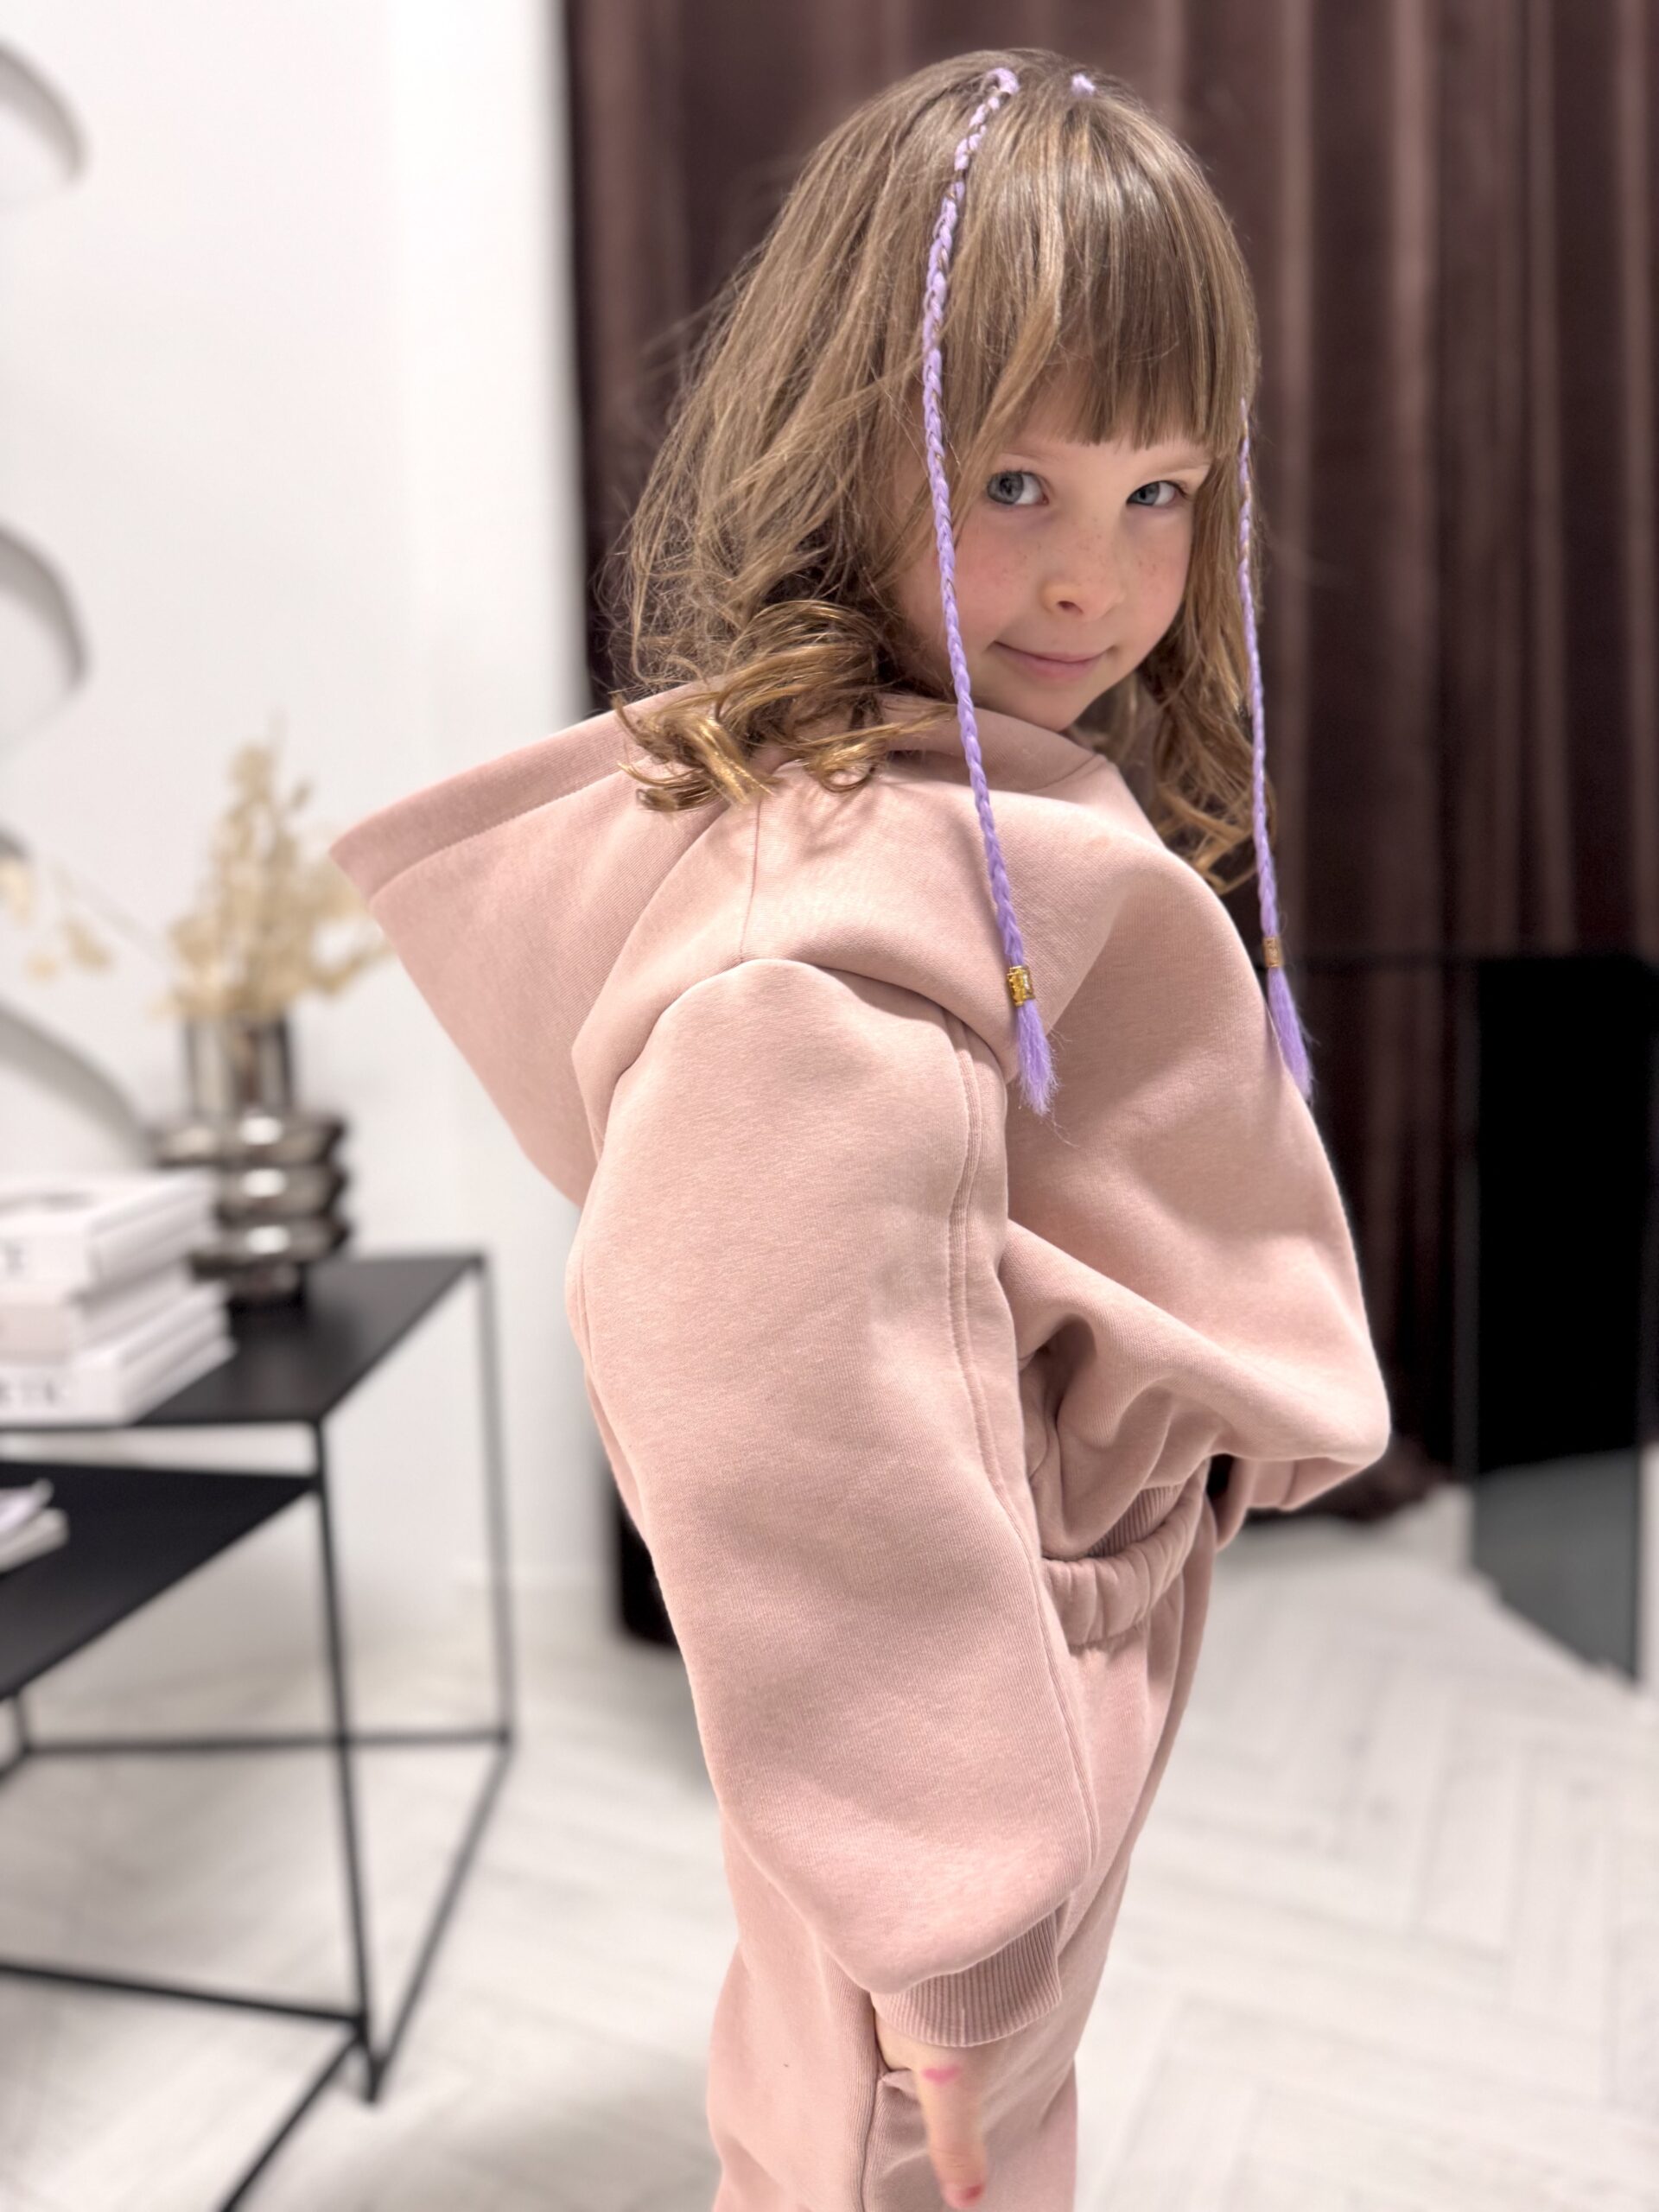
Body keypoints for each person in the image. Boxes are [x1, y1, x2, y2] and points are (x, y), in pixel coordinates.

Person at [328, 46, 1392, 2212]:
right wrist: (958, 1910)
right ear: (847, 438)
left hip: (1020, 1659)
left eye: (1162, 491)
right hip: (962, 1727)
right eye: (1014, 482)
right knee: (906, 2144)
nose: (1095, 580)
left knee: (861, 2108)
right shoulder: (818, 964)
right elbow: (793, 1441)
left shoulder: (942, 810)